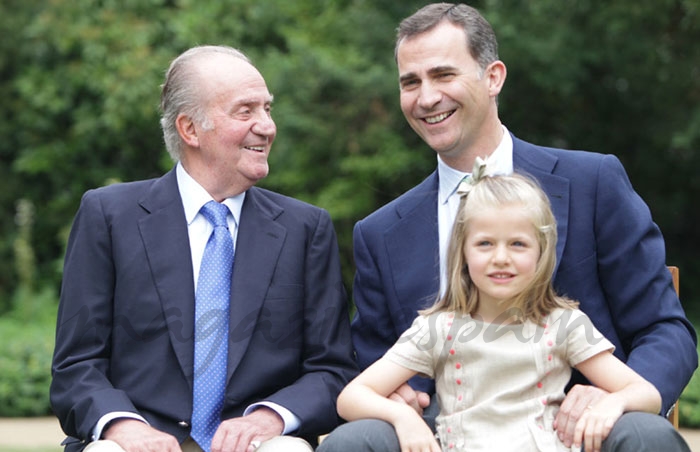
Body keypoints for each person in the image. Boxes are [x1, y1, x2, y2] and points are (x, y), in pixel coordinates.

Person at [318, 3, 696, 451]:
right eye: (410, 82)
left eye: (443, 75)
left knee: (645, 434)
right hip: (439, 432)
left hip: (579, 426)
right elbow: (374, 359)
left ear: (493, 77)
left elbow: (663, 329)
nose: (425, 97)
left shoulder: (593, 182)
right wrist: (396, 401)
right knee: (355, 440)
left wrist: (617, 396)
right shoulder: (379, 232)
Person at [50, 45, 357, 452]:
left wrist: (270, 416)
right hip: (136, 438)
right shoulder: (108, 216)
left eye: (267, 109)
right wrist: (123, 427)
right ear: (190, 129)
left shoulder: (305, 228)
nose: (266, 126)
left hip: (258, 443)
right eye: (245, 111)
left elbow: (332, 369)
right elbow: (76, 367)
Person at [337, 168, 662, 451]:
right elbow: (352, 396)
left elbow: (645, 393)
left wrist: (612, 403)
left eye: (518, 244)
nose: (501, 257)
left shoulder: (563, 325)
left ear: (542, 252)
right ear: (462, 251)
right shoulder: (438, 328)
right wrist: (403, 417)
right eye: (485, 244)